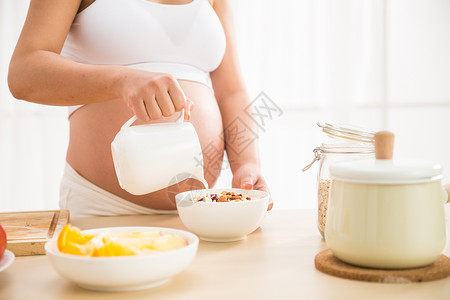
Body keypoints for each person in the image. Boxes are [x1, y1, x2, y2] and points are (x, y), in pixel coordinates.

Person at [8, 0, 272, 217]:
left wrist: (247, 164)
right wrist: (121, 80)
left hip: (200, 210)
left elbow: (232, 92)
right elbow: (23, 73)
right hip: (104, 209)